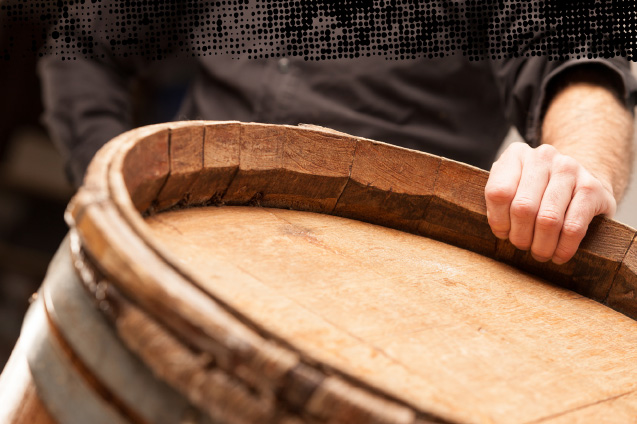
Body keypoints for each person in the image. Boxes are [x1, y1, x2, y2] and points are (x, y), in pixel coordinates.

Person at [38, 1, 636, 265]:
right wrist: (113, 190)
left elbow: (577, 58)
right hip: (172, 230)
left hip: (374, 282)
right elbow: (86, 45)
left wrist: (577, 167)